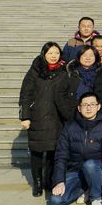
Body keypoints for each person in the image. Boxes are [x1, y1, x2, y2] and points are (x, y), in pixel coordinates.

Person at [49, 93, 102, 205]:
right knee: (55, 202)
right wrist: (59, 181)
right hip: (76, 171)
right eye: (85, 105)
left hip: (97, 171)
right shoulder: (69, 127)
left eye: (92, 104)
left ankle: (95, 198)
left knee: (89, 165)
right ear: (79, 108)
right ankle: (86, 189)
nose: (88, 108)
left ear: (98, 106)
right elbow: (61, 156)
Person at [19, 42, 67, 196]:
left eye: (57, 53)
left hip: (56, 118)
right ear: (44, 54)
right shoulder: (35, 71)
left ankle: (48, 181)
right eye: (50, 53)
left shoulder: (63, 71)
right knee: (37, 153)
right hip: (37, 116)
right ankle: (38, 183)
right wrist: (25, 116)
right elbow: (25, 94)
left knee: (53, 152)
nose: (54, 56)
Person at [63, 45, 102, 120]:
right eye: (84, 55)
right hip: (73, 114)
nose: (88, 58)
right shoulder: (70, 73)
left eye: (91, 55)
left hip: (98, 115)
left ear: (96, 57)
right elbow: (61, 94)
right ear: (79, 56)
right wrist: (67, 113)